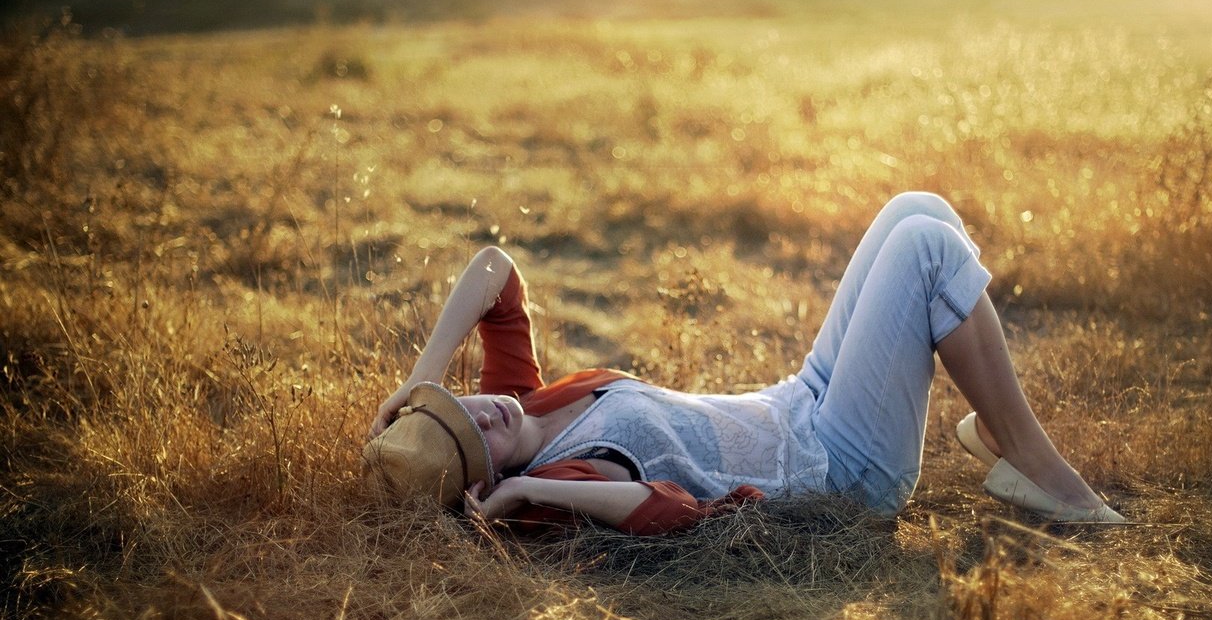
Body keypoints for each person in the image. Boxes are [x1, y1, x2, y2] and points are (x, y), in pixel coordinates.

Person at [363, 192, 1124, 535]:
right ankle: (1035, 465)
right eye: (476, 437)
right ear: (482, 481)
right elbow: (666, 511)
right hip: (840, 469)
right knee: (927, 251)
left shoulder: (519, 400)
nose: (486, 412)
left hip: (799, 401)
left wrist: (420, 379)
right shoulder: (561, 478)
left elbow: (494, 267)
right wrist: (522, 487)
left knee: (914, 210)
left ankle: (998, 429)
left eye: (461, 403)